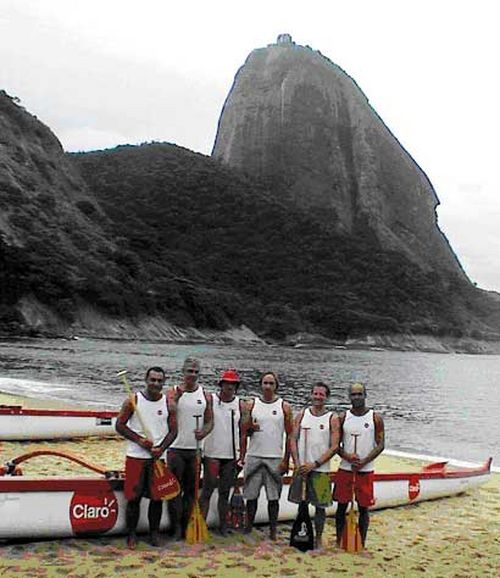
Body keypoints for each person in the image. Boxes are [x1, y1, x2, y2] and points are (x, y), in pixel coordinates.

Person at [115, 366, 177, 549]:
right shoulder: (133, 401)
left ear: (163, 382)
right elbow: (119, 425)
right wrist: (139, 440)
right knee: (133, 498)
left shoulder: (169, 404)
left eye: (159, 381)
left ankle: (154, 534)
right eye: (153, 380)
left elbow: (174, 431)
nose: (156, 384)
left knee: (157, 499)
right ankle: (132, 535)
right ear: (146, 380)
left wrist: (162, 448)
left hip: (158, 458)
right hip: (136, 456)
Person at [240, 371, 293, 541]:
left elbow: (290, 435)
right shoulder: (251, 404)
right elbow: (244, 432)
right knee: (251, 496)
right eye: (265, 383)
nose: (268, 386)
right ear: (260, 385)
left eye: (271, 383)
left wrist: (286, 459)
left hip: (274, 457)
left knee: (273, 497)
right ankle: (248, 527)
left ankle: (272, 530)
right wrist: (250, 428)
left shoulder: (284, 406)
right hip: (254, 455)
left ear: (276, 386)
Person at [167, 356, 214, 540]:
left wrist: (204, 432)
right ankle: (175, 528)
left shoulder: (205, 395)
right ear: (183, 372)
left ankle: (187, 525)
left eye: (195, 372)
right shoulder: (172, 392)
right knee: (174, 492)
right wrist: (178, 397)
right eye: (189, 371)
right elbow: (169, 411)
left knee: (191, 491)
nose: (192, 375)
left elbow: (210, 421)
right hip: (175, 448)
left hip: (194, 451)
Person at [333, 382, 385, 548]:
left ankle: (361, 542)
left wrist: (364, 461)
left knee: (364, 508)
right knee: (341, 506)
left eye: (359, 394)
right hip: (346, 469)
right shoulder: (342, 418)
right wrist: (348, 457)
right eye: (353, 394)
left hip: (366, 471)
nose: (356, 397)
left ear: (365, 395)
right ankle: (339, 540)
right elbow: (335, 445)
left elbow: (380, 444)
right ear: (349, 397)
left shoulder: (375, 418)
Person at [289, 382, 340, 549]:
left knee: (320, 507)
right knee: (301, 504)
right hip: (302, 468)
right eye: (315, 394)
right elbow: (293, 440)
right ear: (311, 395)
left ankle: (318, 538)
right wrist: (297, 463)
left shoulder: (332, 418)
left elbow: (334, 446)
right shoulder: (302, 415)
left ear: (326, 397)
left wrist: (315, 464)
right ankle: (301, 533)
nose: (318, 397)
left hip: (320, 470)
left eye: (321, 394)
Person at [200, 368, 244, 535]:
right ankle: (201, 524)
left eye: (233, 384)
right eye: (227, 383)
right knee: (208, 490)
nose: (230, 387)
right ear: (221, 384)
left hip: (230, 455)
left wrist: (242, 455)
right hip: (212, 453)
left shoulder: (240, 404)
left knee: (225, 491)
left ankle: (223, 526)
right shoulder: (210, 399)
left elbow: (243, 431)